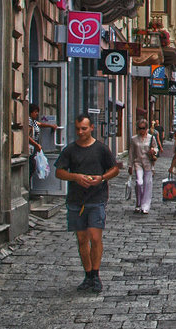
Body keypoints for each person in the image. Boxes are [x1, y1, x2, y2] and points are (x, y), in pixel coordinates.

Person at [54, 114, 121, 293]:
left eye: (84, 128)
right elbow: (59, 172)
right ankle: (88, 274)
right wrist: (75, 177)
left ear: (92, 128)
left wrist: (101, 178)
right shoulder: (70, 150)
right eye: (77, 129)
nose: (80, 132)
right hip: (76, 199)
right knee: (82, 239)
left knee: (95, 237)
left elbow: (114, 169)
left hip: (96, 198)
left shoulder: (101, 149)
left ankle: (96, 274)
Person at [127, 118, 160, 215]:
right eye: (140, 128)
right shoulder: (134, 139)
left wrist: (154, 151)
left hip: (148, 163)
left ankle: (145, 206)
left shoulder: (151, 138)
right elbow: (131, 153)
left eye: (144, 128)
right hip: (138, 163)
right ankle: (138, 203)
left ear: (146, 128)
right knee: (139, 182)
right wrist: (130, 165)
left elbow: (156, 148)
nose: (142, 130)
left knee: (147, 184)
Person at [26, 103, 59, 174]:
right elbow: (27, 136)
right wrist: (36, 145)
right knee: (31, 166)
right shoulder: (29, 121)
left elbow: (40, 124)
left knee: (33, 166)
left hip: (33, 148)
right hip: (30, 148)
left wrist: (51, 126)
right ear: (30, 112)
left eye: (37, 112)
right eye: (35, 112)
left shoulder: (33, 121)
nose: (37, 113)